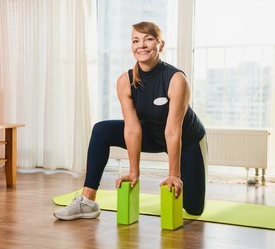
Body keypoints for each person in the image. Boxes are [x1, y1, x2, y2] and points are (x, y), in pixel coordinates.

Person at [54, 21, 207, 220]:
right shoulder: (125, 81)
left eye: (148, 39)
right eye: (136, 40)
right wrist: (134, 172)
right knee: (101, 130)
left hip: (187, 140)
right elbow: (133, 129)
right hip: (151, 134)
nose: (141, 45)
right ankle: (87, 201)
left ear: (160, 45)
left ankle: (190, 184)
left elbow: (172, 130)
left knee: (194, 208)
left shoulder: (176, 79)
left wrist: (174, 175)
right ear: (132, 46)